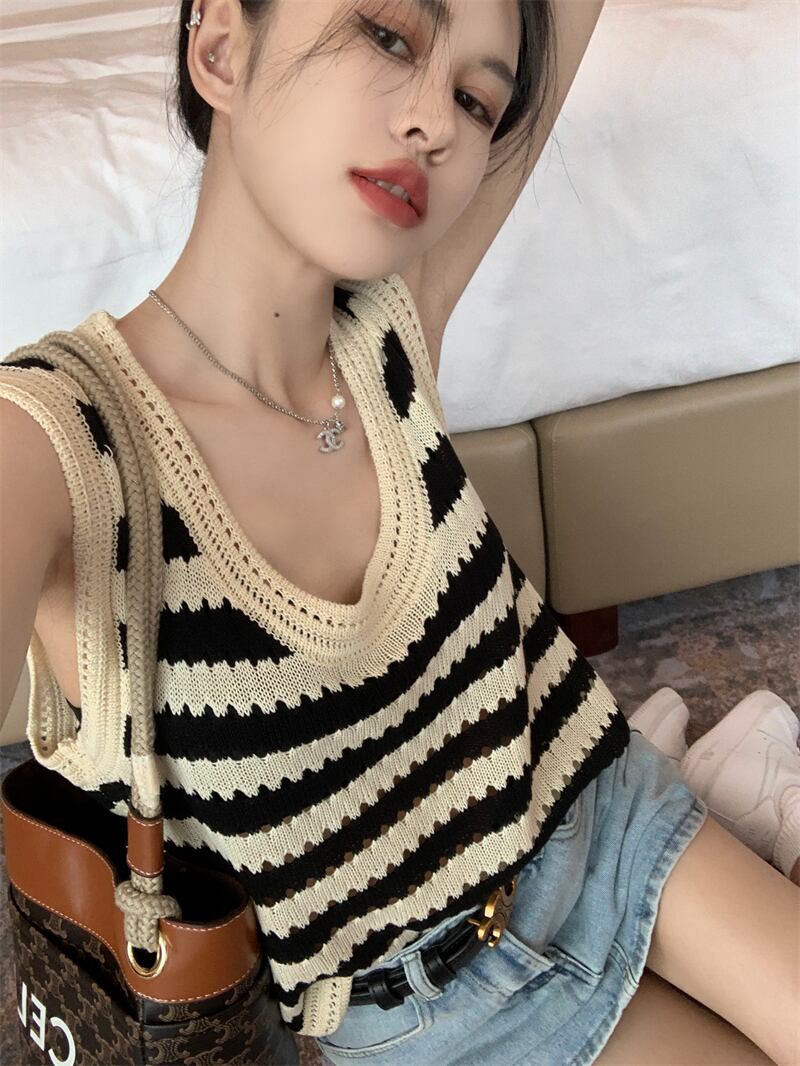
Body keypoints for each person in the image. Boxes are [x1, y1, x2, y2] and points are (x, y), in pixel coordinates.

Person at [0, 1, 797, 1063]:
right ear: (220, 47)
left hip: (599, 813)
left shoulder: (392, 321)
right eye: (386, 35)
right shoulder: (54, 439)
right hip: (431, 1015)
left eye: (476, 99)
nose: (435, 123)